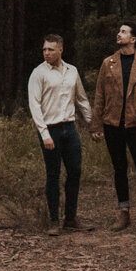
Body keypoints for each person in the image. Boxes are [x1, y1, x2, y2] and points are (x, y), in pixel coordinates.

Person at [90, 21, 136, 233]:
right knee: (119, 169)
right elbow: (99, 95)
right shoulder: (108, 63)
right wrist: (96, 124)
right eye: (119, 31)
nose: (118, 34)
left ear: (133, 39)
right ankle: (124, 214)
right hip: (112, 124)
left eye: (123, 32)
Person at [27, 31, 92, 232]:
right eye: (44, 49)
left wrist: (92, 124)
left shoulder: (72, 71)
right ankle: (54, 221)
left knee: (74, 172)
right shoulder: (39, 73)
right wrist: (44, 134)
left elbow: (81, 99)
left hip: (69, 129)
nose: (46, 53)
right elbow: (34, 105)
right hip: (50, 130)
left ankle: (70, 219)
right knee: (53, 174)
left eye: (51, 49)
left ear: (60, 50)